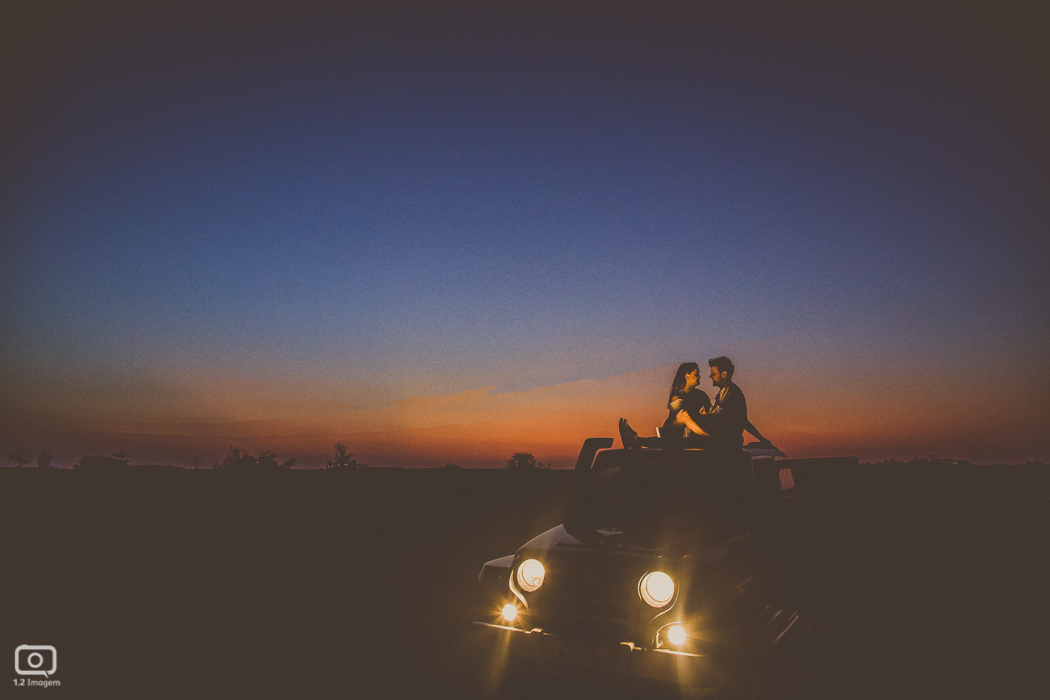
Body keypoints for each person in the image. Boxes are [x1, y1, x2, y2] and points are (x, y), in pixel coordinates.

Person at [619, 356, 770, 449]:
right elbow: (742, 420)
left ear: (724, 374)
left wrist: (702, 418)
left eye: (713, 373)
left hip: (723, 439)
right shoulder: (725, 393)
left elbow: (729, 419)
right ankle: (636, 440)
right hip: (717, 436)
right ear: (686, 376)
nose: (709, 376)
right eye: (698, 374)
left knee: (680, 438)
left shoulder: (728, 393)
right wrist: (762, 439)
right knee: (679, 436)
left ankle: (637, 440)